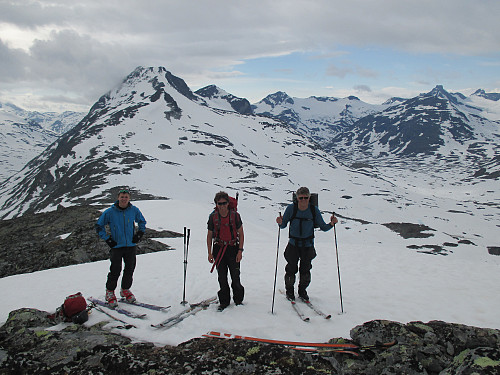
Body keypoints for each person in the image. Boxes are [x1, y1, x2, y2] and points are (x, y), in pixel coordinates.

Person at [276, 187, 338, 301]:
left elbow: (323, 227)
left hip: (307, 245)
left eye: (306, 198)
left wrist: (331, 224)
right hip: (294, 245)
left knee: (305, 270)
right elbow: (283, 225)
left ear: (309, 198)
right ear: (297, 198)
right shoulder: (291, 209)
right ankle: (290, 291)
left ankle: (302, 291)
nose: (303, 200)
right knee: (291, 269)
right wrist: (280, 223)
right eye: (301, 198)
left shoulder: (313, 210)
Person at [96, 188, 147, 307]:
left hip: (130, 245)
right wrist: (107, 239)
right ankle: (110, 292)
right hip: (117, 246)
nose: (124, 199)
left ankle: (125, 289)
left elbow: (142, 222)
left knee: (130, 269)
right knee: (115, 270)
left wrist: (139, 234)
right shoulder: (110, 212)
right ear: (118, 198)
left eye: (126, 197)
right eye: (122, 197)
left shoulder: (134, 210)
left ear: (129, 198)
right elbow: (99, 226)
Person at [207, 191, 245, 311]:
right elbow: (209, 235)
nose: (222, 206)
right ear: (216, 204)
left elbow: (241, 233)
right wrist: (209, 252)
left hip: (233, 248)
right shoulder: (213, 217)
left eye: (224, 203)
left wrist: (240, 251)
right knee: (222, 277)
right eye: (220, 203)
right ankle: (224, 301)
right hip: (219, 249)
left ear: (228, 203)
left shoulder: (235, 216)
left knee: (235, 276)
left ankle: (238, 300)